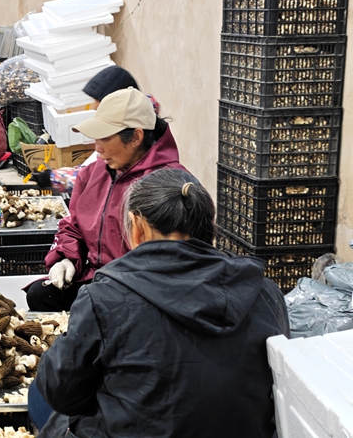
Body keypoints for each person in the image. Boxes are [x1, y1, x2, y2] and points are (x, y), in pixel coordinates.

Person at [33, 168, 289, 437]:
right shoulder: (265, 292)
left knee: (42, 397)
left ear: (138, 226)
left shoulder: (104, 297)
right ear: (208, 227)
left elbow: (63, 393)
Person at [25, 88, 187, 312]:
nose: (97, 148)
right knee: (41, 295)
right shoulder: (93, 173)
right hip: (98, 279)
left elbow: (171, 263)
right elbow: (74, 226)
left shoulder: (167, 184)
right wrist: (67, 258)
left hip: (141, 290)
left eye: (105, 138)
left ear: (136, 137)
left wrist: (114, 285)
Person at [31, 65, 161, 194]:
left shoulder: (152, 178)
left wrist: (52, 178)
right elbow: (91, 172)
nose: (95, 106)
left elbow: (93, 178)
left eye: (99, 101)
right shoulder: (123, 146)